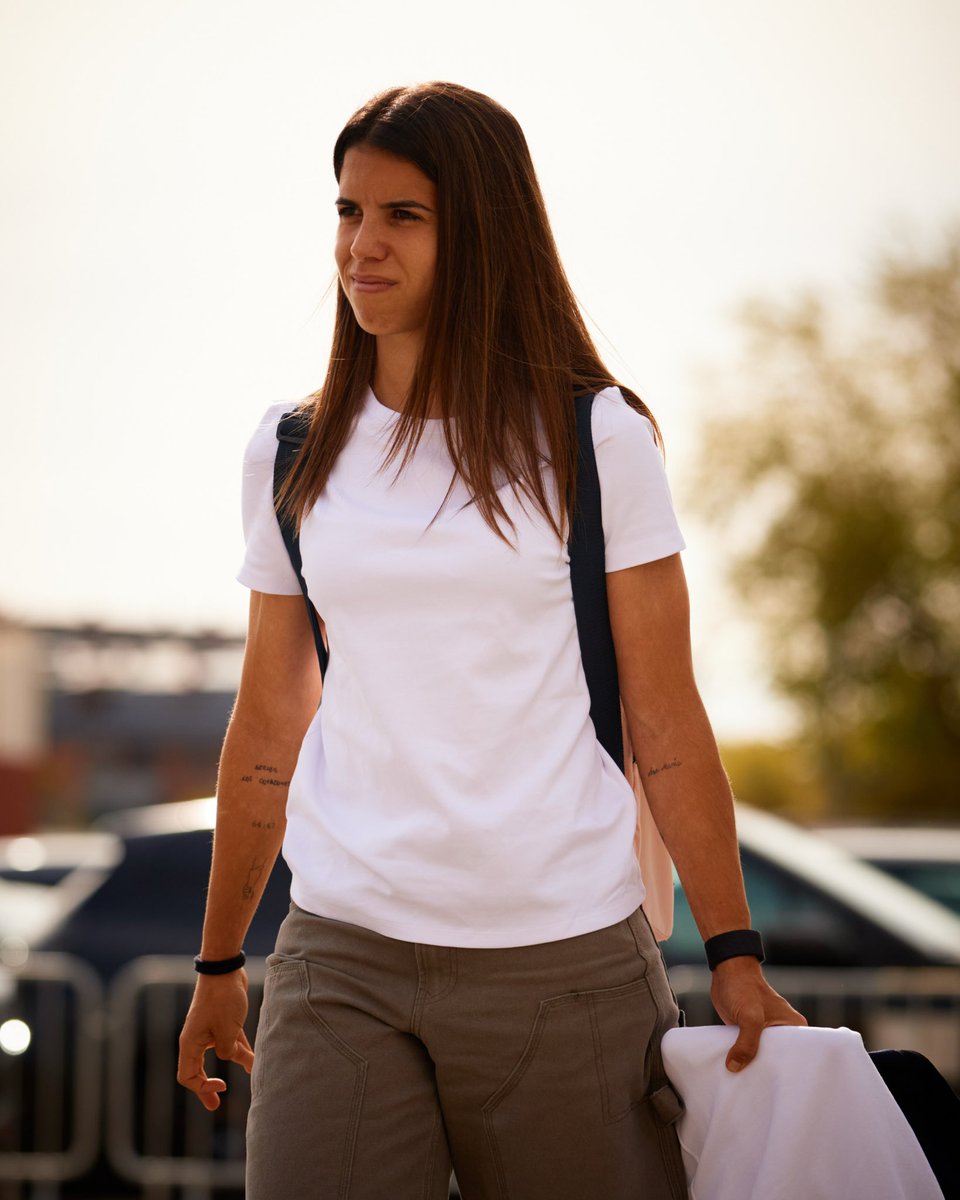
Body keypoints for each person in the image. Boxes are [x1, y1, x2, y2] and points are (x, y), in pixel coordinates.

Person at [176, 81, 805, 1200]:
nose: (360, 246)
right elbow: (270, 718)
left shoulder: (592, 439)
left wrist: (737, 954)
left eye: (400, 216)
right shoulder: (293, 451)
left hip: (562, 967)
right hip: (343, 955)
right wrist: (220, 961)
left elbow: (664, 716)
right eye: (346, 211)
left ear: (481, 228)